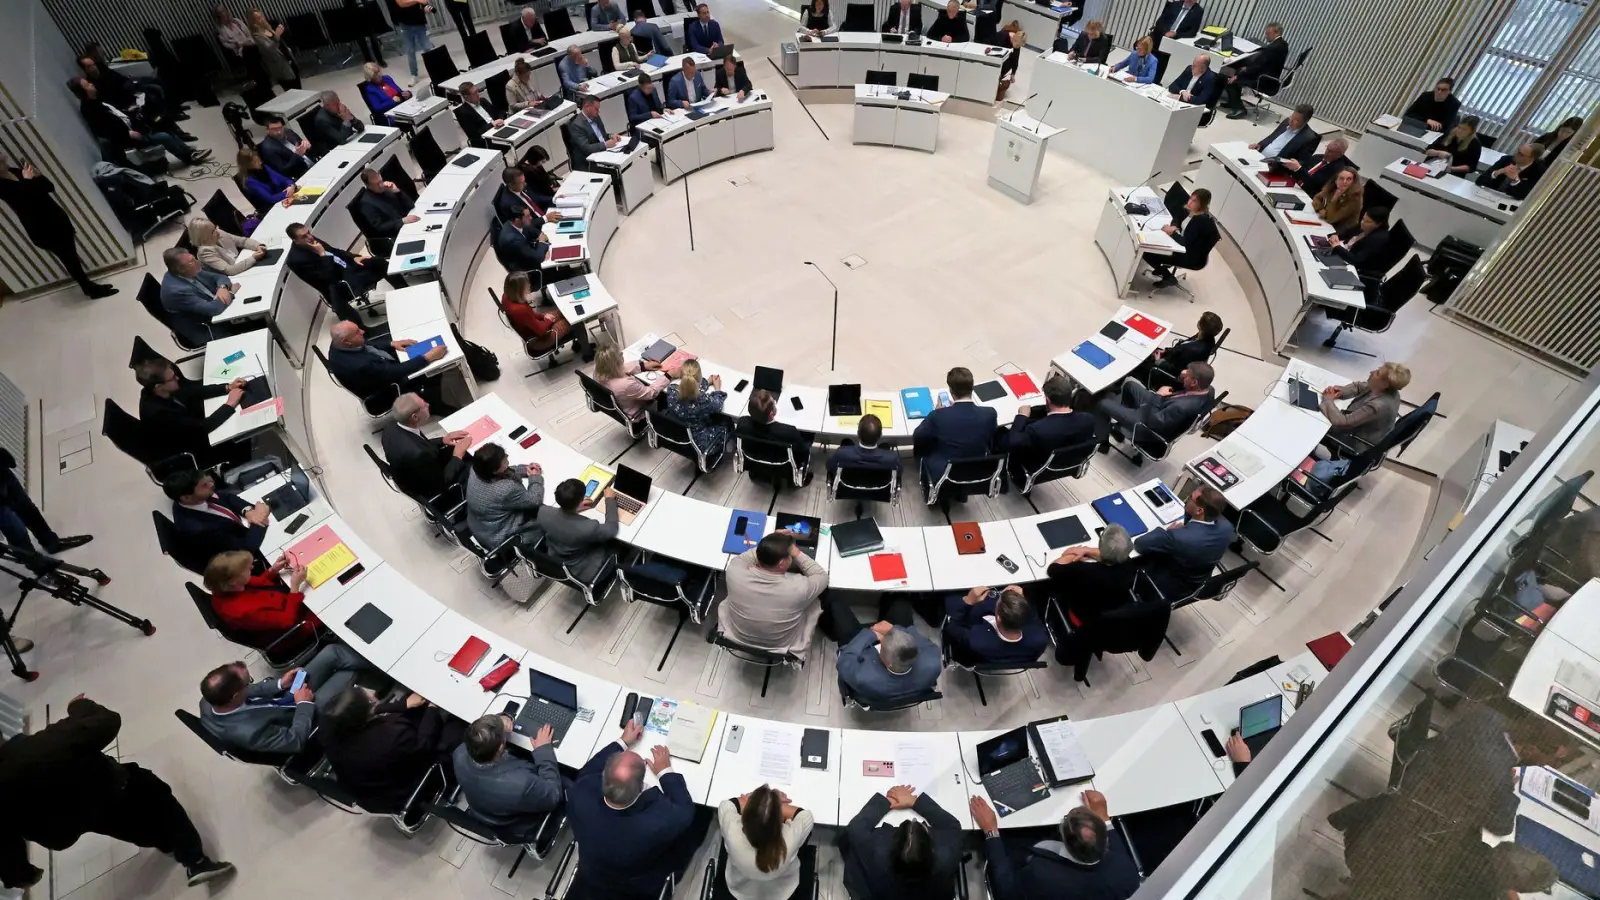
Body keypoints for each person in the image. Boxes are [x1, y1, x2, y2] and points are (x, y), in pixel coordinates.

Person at [0, 696, 235, 890]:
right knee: (163, 804)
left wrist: (21, 874)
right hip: (112, 787)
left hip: (78, 820)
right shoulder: (45, 743)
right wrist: (79, 706)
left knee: (127, 827)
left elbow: (5, 839)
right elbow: (107, 721)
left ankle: (167, 844)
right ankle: (196, 861)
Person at [566, 721, 706, 899]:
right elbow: (685, 811)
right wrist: (665, 771)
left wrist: (623, 741)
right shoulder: (656, 822)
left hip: (592, 870)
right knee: (701, 818)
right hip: (636, 885)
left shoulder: (581, 793)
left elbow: (588, 771)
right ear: (640, 786)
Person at [198, 645, 372, 754]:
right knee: (347, 674)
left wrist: (281, 683)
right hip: (302, 716)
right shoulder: (251, 734)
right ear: (234, 696)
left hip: (285, 698)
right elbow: (295, 741)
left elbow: (252, 690)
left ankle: (377, 657)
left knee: (332, 653)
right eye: (247, 682)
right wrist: (304, 704)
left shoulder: (210, 698)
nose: (250, 684)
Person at [318, 684, 463, 814]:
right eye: (369, 701)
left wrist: (403, 705)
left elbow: (364, 716)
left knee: (412, 706)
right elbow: (424, 745)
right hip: (401, 791)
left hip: (367, 785)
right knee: (456, 727)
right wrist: (432, 708)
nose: (373, 695)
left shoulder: (329, 729)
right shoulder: (391, 737)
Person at [971, 790, 1138, 900]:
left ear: (1065, 841)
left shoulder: (1040, 875)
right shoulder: (1128, 876)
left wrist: (991, 831)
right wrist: (1104, 818)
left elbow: (1005, 890)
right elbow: (1117, 849)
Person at [0, 157, 117, 297]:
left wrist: (39, 176)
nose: (3, 159)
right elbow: (22, 201)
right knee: (69, 258)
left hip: (56, 218)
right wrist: (27, 180)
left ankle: (88, 287)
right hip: (41, 228)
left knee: (71, 256)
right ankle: (89, 289)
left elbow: (49, 187)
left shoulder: (15, 171)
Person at [722, 531, 830, 661]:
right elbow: (822, 576)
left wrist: (770, 546)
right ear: (782, 563)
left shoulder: (734, 570)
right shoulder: (798, 588)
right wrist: (797, 553)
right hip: (780, 645)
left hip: (738, 636)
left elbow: (746, 557)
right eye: (790, 556)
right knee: (815, 601)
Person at [841, 786, 963, 900]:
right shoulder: (946, 854)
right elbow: (952, 826)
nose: (914, 819)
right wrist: (915, 802)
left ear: (894, 841)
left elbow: (856, 828)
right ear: (931, 848)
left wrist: (887, 802)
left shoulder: (877, 851)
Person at [453, 714, 563, 840]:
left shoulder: (459, 753)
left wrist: (500, 719)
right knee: (569, 779)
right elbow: (554, 794)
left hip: (487, 810)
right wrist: (543, 750)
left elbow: (480, 735)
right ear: (500, 748)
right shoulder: (521, 784)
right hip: (516, 823)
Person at [135, 358, 254, 468]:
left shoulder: (159, 390)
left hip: (193, 427)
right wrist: (230, 404)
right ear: (159, 386)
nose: (177, 378)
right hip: (194, 449)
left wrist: (227, 387)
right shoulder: (158, 413)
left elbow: (193, 390)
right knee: (243, 436)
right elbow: (203, 427)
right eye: (172, 378)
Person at [71, 77, 210, 166]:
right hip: (127, 138)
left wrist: (128, 111)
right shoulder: (91, 110)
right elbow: (106, 130)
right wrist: (127, 133)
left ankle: (189, 150)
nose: (91, 85)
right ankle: (188, 157)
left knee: (161, 122)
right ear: (83, 92)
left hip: (131, 126)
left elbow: (115, 116)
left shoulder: (97, 101)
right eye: (88, 85)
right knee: (163, 137)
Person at [202, 550, 321, 652]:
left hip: (280, 601)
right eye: (247, 569)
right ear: (234, 580)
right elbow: (288, 620)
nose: (252, 567)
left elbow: (258, 583)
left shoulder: (225, 586)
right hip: (291, 629)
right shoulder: (243, 612)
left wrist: (273, 570)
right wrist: (295, 587)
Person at [1132, 486, 1232, 600]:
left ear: (1199, 511)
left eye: (1190, 498)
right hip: (1195, 583)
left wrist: (1167, 532)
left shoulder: (1178, 538)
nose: (1187, 498)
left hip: (1165, 587)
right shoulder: (1227, 528)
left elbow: (1140, 544)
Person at [1092, 362, 1216, 453]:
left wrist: (1158, 396)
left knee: (1103, 404)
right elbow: (1185, 386)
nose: (1184, 375)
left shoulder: (1182, 407)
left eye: (1187, 375)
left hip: (1147, 425)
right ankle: (1122, 425)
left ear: (1194, 382)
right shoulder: (1208, 390)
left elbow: (1154, 422)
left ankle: (1102, 444)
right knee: (1130, 386)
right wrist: (1182, 376)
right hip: (1162, 407)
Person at [719, 785, 815, 900]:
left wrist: (757, 804)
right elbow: (806, 816)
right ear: (781, 820)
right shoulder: (790, 838)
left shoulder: (732, 830)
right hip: (781, 893)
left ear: (744, 817)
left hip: (741, 890)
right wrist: (773, 805)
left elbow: (726, 805)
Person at [325, 319, 449, 408]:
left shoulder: (339, 344)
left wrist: (391, 343)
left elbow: (365, 344)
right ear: (346, 341)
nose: (362, 331)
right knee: (432, 371)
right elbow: (395, 372)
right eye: (357, 332)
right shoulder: (360, 365)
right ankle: (436, 405)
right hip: (387, 390)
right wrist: (428, 357)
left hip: (380, 368)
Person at [998, 375, 1093, 485]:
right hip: (1067, 464)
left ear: (1047, 400)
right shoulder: (1088, 419)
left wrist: (1022, 416)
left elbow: (1011, 443)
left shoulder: (1038, 430)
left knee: (1000, 433)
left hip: (1036, 466)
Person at [164, 468, 270, 564]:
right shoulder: (197, 529)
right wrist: (260, 517)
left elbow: (227, 497)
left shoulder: (194, 497)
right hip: (244, 553)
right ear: (186, 497)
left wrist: (248, 511)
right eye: (204, 485)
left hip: (243, 526)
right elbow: (246, 549)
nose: (211, 484)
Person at [833, 613, 941, 708]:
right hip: (902, 690)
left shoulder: (864, 678)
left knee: (837, 608)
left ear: (887, 662)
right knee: (900, 604)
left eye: (882, 646)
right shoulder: (933, 664)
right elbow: (916, 635)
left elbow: (845, 659)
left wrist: (871, 634)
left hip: (865, 650)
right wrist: (893, 629)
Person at [287, 223, 391, 321]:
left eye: (308, 232)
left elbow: (336, 251)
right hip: (340, 282)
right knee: (376, 268)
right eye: (304, 236)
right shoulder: (297, 260)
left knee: (380, 262)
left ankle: (399, 287)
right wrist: (322, 254)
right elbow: (328, 277)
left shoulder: (311, 240)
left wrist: (354, 257)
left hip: (347, 267)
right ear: (296, 241)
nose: (310, 237)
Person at [912, 367, 996, 484]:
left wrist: (937, 412)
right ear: (972, 388)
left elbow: (917, 436)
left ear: (951, 391)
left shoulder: (938, 415)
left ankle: (925, 476)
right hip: (978, 469)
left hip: (946, 472)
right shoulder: (990, 413)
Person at [380, 392, 472, 499]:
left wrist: (442, 440)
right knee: (480, 465)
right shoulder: (418, 455)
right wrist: (457, 455)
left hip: (421, 472)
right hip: (439, 490)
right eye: (424, 404)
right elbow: (442, 483)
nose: (428, 404)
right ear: (415, 417)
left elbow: (420, 443)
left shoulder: (390, 429)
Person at [0, 449, 90, 556]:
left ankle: (51, 543)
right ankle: (32, 560)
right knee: (14, 528)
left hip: (2, 473)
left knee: (28, 509)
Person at [1047, 524, 1138, 626]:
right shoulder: (1129, 564)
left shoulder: (1085, 571)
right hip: (1116, 610)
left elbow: (1053, 569)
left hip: (1086, 618)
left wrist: (1071, 555)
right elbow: (1111, 556)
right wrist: (1086, 550)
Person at [465, 442, 545, 552]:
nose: (507, 457)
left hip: (479, 526)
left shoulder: (476, 469)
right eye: (504, 459)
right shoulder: (505, 489)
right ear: (495, 470)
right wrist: (535, 477)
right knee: (548, 521)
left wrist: (525, 469)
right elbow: (535, 499)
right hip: (498, 536)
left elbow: (504, 472)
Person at [943, 586, 1047, 667]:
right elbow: (1034, 618)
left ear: (999, 618)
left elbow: (952, 627)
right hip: (998, 657)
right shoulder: (1039, 638)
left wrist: (968, 601)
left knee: (950, 597)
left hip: (978, 655)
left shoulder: (975, 639)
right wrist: (1022, 599)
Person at [541, 477, 620, 582]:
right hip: (584, 572)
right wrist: (609, 500)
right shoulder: (588, 527)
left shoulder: (544, 512)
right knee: (619, 546)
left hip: (559, 561)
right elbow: (612, 528)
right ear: (581, 500)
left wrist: (573, 509)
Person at [500, 271, 591, 361]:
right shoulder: (520, 310)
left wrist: (543, 317)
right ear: (519, 290)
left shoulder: (507, 297)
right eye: (526, 285)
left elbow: (531, 316)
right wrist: (548, 320)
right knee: (576, 321)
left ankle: (581, 344)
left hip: (535, 328)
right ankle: (587, 354)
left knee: (567, 310)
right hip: (540, 340)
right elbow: (541, 331)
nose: (529, 286)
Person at [1319, 362, 1411, 449]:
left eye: (1377, 373)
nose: (1372, 372)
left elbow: (1343, 422)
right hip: (1357, 429)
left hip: (1352, 441)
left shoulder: (1378, 406)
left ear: (1385, 384)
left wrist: (1328, 400)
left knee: (1314, 423)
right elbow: (1359, 386)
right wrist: (1341, 391)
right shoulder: (1387, 389)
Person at [159, 247, 238, 347]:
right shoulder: (176, 292)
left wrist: (223, 287)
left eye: (193, 258)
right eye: (191, 261)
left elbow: (220, 277)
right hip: (207, 328)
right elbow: (213, 309)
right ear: (181, 269)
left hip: (217, 311)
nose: (197, 262)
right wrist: (230, 292)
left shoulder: (188, 269)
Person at [1144, 187, 1218, 290]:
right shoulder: (1191, 211)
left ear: (1202, 204)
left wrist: (1171, 232)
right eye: (1191, 198)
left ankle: (1168, 277)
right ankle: (1161, 268)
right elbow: (1177, 218)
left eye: (1194, 201)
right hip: (1182, 247)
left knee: (1147, 253)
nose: (1190, 202)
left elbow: (1184, 242)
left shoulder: (1201, 221)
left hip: (1191, 257)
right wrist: (1174, 226)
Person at [1221, 21, 1288, 118]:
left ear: (1276, 32)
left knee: (1232, 82)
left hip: (1264, 80)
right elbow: (1262, 64)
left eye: (1268, 34)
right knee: (1241, 71)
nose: (1266, 36)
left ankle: (1240, 109)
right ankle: (1233, 102)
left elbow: (1259, 67)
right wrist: (1247, 68)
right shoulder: (1283, 44)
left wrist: (1239, 75)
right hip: (1271, 77)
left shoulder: (1272, 48)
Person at [594, 344, 676, 421]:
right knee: (666, 394)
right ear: (616, 363)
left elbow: (619, 369)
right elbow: (651, 393)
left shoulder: (597, 372)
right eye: (620, 354)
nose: (622, 353)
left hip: (622, 403)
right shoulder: (626, 385)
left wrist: (643, 366)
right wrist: (668, 376)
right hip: (637, 412)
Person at [665, 359, 730, 453]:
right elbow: (718, 405)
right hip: (699, 442)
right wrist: (717, 389)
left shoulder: (671, 390)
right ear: (699, 377)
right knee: (728, 423)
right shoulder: (702, 401)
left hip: (677, 433)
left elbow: (690, 389)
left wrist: (706, 382)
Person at [736, 389, 814, 462]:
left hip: (754, 463)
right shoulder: (789, 432)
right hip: (783, 467)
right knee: (809, 436)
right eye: (774, 402)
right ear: (771, 414)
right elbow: (802, 449)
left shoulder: (742, 423)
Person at [1326, 207, 1394, 278]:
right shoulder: (1366, 226)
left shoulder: (1378, 239)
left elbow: (1356, 260)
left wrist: (1337, 247)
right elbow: (1346, 233)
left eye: (1368, 221)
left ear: (1378, 224)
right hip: (1345, 255)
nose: (1362, 222)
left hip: (1355, 269)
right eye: (1363, 219)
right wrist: (1335, 235)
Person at [189, 214, 266, 276]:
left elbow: (242, 241)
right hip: (236, 277)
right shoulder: (205, 252)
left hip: (244, 265)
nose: (217, 231)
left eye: (215, 227)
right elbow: (230, 270)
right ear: (204, 238)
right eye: (213, 231)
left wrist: (258, 246)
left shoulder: (219, 233)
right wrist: (253, 258)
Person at [826, 414, 898, 479]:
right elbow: (899, 472)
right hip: (878, 488)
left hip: (848, 487)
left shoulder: (842, 453)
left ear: (858, 433)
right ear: (880, 435)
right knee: (885, 446)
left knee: (846, 442)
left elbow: (830, 467)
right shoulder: (892, 458)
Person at [356, 167, 417, 242]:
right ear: (368, 185)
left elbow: (411, 205)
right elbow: (380, 227)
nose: (380, 185)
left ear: (380, 175)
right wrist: (402, 221)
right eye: (377, 184)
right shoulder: (366, 203)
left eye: (380, 181)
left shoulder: (388, 189)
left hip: (409, 224)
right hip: (396, 235)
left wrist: (397, 192)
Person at [1278, 136, 1353, 196]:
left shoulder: (1338, 170)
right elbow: (1301, 171)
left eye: (1331, 152)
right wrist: (1291, 166)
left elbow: (1315, 183)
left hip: (1307, 195)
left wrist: (1298, 168)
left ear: (1340, 155)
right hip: (1294, 186)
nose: (1327, 153)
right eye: (1327, 149)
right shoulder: (1317, 157)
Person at [235, 146, 298, 213]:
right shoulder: (249, 181)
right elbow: (270, 199)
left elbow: (284, 179)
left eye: (258, 159)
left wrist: (291, 186)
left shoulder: (264, 167)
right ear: (248, 165)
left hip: (284, 200)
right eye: (255, 162)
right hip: (272, 209)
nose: (260, 162)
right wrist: (288, 192)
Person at [248, 10, 299, 89]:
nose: (261, 19)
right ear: (252, 22)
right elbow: (270, 50)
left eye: (261, 16)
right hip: (279, 65)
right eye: (257, 18)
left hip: (288, 59)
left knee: (299, 87)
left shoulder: (268, 29)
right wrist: (277, 36)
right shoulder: (257, 36)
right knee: (290, 88)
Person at [1475, 142, 1545, 200]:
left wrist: (1515, 180)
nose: (1516, 154)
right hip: (1487, 196)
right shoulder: (1506, 160)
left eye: (1521, 154)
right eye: (1518, 151)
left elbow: (1523, 196)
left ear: (1532, 158)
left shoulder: (1538, 172)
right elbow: (1479, 181)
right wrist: (1497, 173)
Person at [1249, 104, 1318, 162]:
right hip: (1259, 156)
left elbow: (1299, 163)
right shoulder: (1287, 121)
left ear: (1306, 121)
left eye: (1296, 120)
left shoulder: (1309, 138)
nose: (1291, 121)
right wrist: (1260, 145)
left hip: (1273, 167)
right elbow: (1271, 137)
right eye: (1292, 116)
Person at [566, 97, 624, 165]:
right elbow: (586, 148)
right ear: (587, 107)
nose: (598, 112)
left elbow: (601, 136)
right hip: (588, 161)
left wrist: (611, 136)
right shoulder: (577, 125)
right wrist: (606, 145)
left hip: (603, 152)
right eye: (596, 109)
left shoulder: (596, 116)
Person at [496, 166, 562, 224]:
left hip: (543, 214)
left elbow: (537, 198)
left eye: (524, 180)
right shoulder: (509, 204)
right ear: (511, 185)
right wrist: (546, 218)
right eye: (521, 183)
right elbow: (524, 225)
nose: (525, 184)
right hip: (537, 226)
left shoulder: (520, 187)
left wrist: (554, 198)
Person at [496, 205, 551, 271]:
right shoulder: (513, 240)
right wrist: (542, 242)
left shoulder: (513, 223)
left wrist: (540, 234)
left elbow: (529, 229)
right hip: (526, 268)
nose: (531, 218)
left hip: (528, 251)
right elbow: (538, 257)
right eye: (527, 216)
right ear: (517, 220)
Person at [306, 90, 364, 154]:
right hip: (336, 149)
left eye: (338, 101)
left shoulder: (341, 108)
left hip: (351, 140)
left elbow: (361, 127)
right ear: (327, 106)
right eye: (334, 104)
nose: (339, 105)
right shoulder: (322, 120)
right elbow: (341, 140)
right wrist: (346, 120)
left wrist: (352, 119)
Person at [391, 0, 434, 82]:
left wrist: (426, 8)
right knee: (410, 50)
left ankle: (433, 72)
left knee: (427, 48)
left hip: (419, 21)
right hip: (404, 23)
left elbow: (424, 2)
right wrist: (417, 0)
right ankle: (414, 75)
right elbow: (401, 3)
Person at [454, 81, 507, 148]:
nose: (478, 94)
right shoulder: (462, 112)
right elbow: (474, 134)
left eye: (477, 91)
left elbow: (498, 112)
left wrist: (500, 119)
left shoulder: (483, 101)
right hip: (486, 140)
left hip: (499, 128)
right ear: (466, 97)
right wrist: (492, 124)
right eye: (474, 93)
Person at [1311, 167, 1364, 232]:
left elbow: (1331, 219)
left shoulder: (1355, 199)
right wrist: (1320, 209)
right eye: (1341, 178)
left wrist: (1335, 198)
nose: (1344, 182)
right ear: (1336, 180)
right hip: (1325, 222)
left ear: (1354, 182)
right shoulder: (1332, 188)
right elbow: (1317, 198)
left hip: (1338, 230)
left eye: (1349, 179)